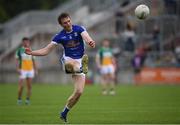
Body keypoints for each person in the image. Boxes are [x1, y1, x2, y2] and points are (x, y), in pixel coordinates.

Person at [25, 12, 95, 123]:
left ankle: (64, 112)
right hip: (68, 60)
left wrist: (90, 41)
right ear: (61, 25)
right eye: (65, 23)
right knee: (72, 67)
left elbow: (86, 37)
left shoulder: (79, 29)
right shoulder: (60, 36)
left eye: (69, 21)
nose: (68, 24)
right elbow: (46, 50)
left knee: (79, 92)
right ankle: (81, 68)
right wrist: (32, 52)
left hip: (80, 60)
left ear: (70, 20)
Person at [15, 37, 38, 105]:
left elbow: (34, 61)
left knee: (29, 86)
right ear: (22, 42)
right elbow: (16, 60)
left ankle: (27, 100)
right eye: (25, 42)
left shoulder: (31, 50)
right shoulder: (19, 50)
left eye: (27, 41)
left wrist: (36, 69)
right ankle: (19, 99)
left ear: (29, 42)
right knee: (21, 86)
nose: (26, 43)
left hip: (30, 70)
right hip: (23, 70)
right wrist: (17, 68)